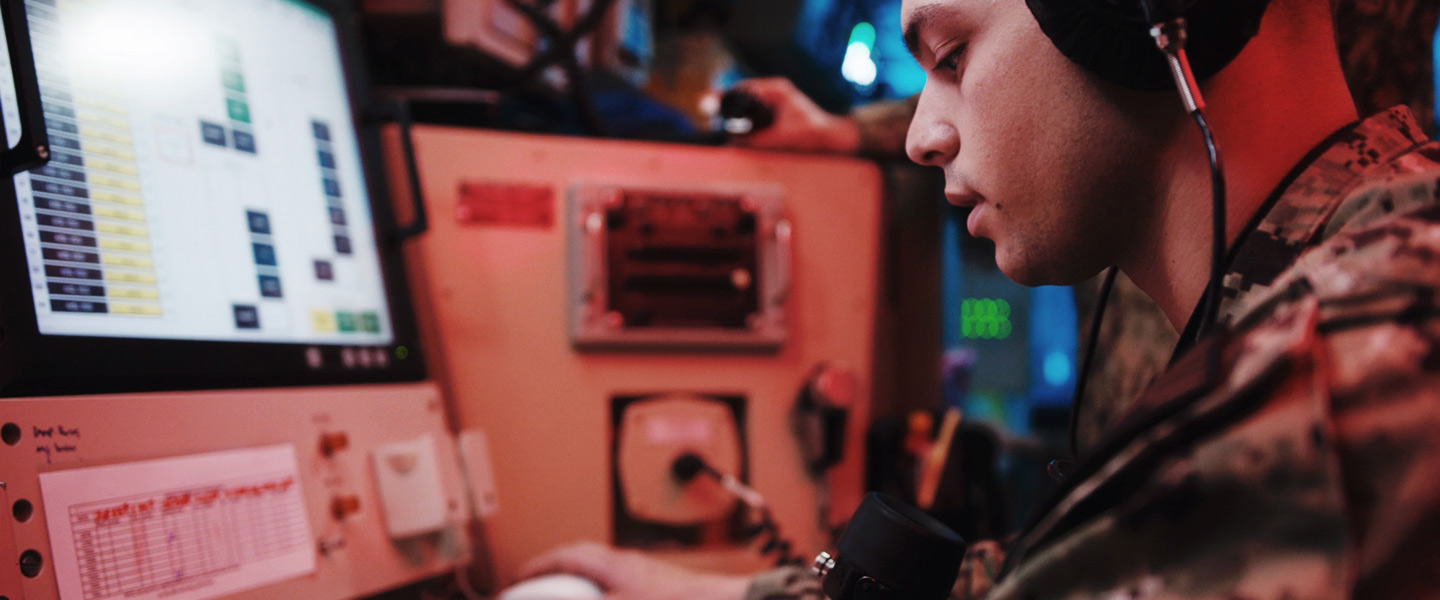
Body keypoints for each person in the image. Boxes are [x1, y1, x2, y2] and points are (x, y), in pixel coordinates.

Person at [523, 0, 1440, 598]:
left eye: (953, 58)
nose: (922, 134)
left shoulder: (1346, 364)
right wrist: (702, 592)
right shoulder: (1338, 285)